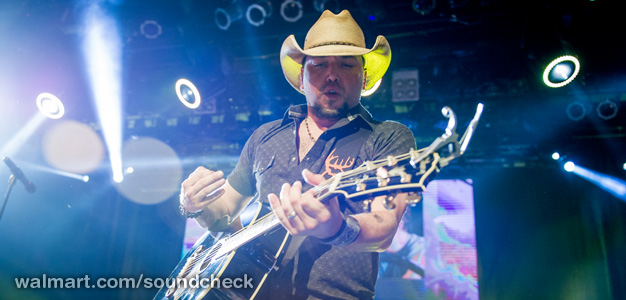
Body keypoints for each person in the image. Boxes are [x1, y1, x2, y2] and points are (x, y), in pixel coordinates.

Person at [179, 10, 416, 300]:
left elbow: (384, 226)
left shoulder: (388, 137)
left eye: (346, 64)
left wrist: (336, 227)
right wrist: (194, 205)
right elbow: (224, 209)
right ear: (301, 79)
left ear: (364, 78)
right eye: (318, 65)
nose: (332, 75)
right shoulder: (265, 136)